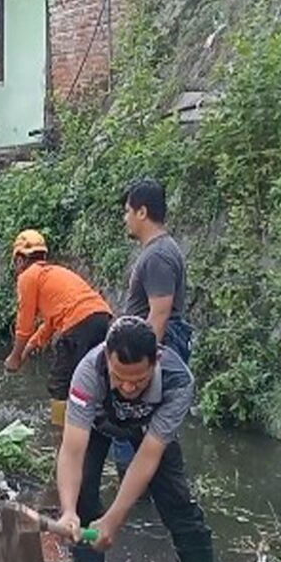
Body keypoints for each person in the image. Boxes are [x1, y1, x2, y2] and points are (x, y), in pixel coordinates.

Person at [55, 316, 220, 562]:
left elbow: (147, 457)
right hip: (99, 425)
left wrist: (114, 519)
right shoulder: (87, 373)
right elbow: (72, 450)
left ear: (156, 359)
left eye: (139, 380)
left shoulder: (178, 381)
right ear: (107, 357)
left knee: (179, 505)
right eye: (119, 377)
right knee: (81, 505)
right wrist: (66, 510)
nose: (129, 387)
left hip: (149, 429)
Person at [116, 179, 193, 473]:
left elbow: (159, 315)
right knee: (145, 427)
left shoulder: (158, 255)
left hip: (156, 347)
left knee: (134, 423)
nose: (125, 218)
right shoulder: (161, 250)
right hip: (157, 345)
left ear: (142, 212)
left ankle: (138, 495)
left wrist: (142, 368)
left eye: (127, 211)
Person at [3, 230, 113, 428]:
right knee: (92, 380)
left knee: (59, 385)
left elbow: (24, 325)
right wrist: (29, 348)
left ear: (19, 260)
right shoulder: (53, 274)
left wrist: (15, 357)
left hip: (78, 324)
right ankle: (92, 428)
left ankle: (62, 439)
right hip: (101, 318)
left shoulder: (27, 277)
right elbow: (50, 323)